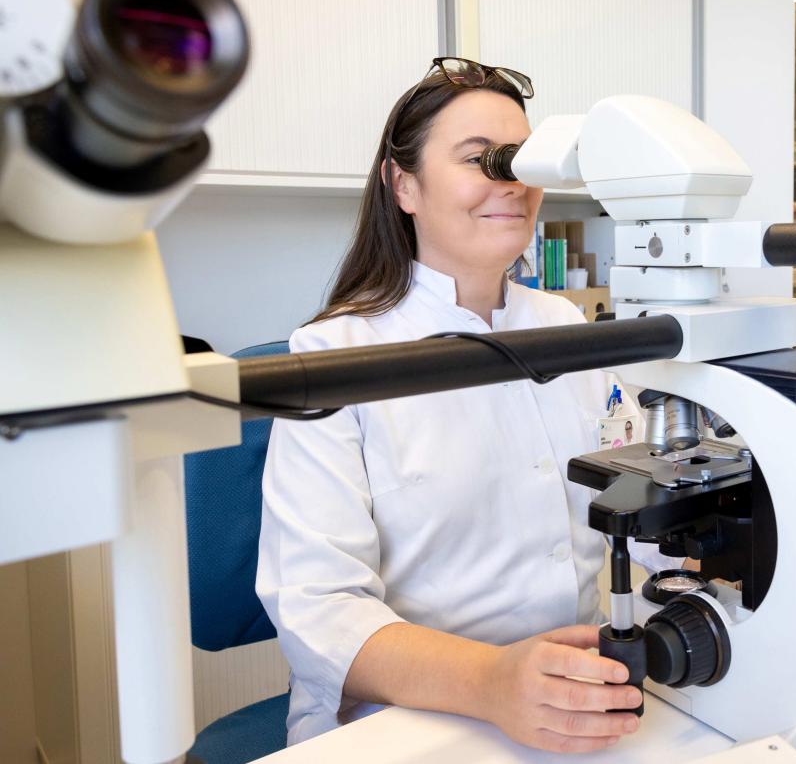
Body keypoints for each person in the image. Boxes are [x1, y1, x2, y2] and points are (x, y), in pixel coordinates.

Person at [256, 58, 678, 754]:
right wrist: (491, 681)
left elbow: (646, 489)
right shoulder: (334, 355)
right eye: (480, 160)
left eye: (522, 159)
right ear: (406, 185)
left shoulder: (569, 332)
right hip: (406, 714)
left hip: (574, 691)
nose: (510, 181)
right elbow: (317, 609)